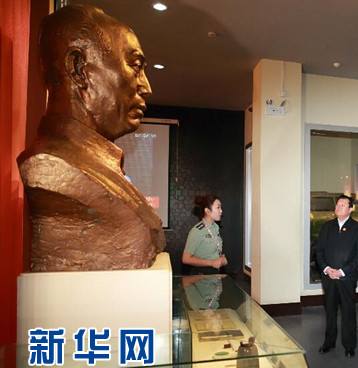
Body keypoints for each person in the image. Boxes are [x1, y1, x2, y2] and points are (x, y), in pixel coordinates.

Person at [17, 5, 165, 271]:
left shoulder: (100, 165)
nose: (147, 87)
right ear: (78, 68)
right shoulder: (49, 167)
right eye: (135, 66)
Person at [317, 195, 358, 357]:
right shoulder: (327, 227)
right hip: (329, 277)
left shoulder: (357, 228)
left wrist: (342, 271)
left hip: (346, 277)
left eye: (343, 205)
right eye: (337, 204)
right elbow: (319, 251)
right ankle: (329, 342)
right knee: (330, 312)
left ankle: (349, 345)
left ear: (350, 209)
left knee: (348, 312)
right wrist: (327, 269)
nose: (338, 207)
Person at [182, 195, 228, 275]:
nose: (221, 211)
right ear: (207, 210)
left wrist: (221, 260)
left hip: (215, 274)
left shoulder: (215, 228)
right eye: (218, 207)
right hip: (201, 275)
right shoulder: (197, 231)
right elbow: (186, 259)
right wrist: (211, 263)